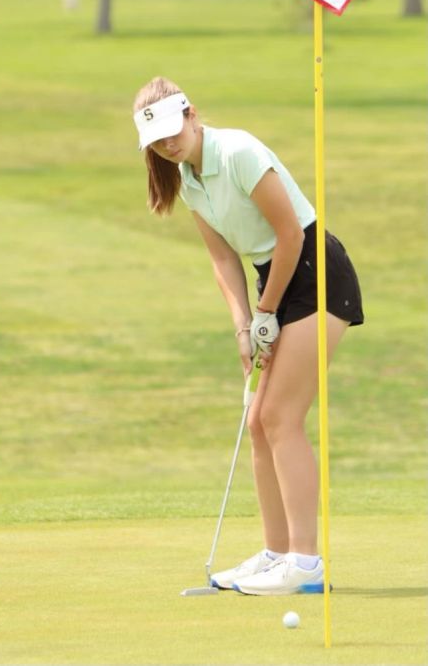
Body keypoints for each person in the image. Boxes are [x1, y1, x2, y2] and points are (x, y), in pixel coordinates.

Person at [132, 76, 363, 596]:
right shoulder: (188, 179)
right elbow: (222, 257)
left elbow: (290, 235)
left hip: (315, 274)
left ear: (191, 114)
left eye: (174, 130)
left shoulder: (237, 151)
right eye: (158, 141)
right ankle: (277, 553)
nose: (169, 145)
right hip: (274, 284)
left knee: (281, 417)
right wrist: (244, 324)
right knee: (258, 422)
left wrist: (266, 310)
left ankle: (305, 563)